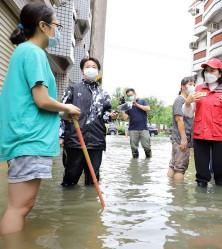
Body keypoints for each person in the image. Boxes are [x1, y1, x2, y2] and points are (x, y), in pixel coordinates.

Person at [0, 3, 80, 234]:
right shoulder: (33, 53)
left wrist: (63, 112)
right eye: (57, 25)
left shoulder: (24, 51)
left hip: (24, 137)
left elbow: (35, 100)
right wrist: (66, 106)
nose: (58, 30)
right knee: (19, 207)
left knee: (22, 205)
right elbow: (42, 100)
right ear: (43, 26)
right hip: (29, 138)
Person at [183, 58, 222, 187]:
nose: (208, 74)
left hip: (220, 135)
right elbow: (188, 113)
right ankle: (201, 197)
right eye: (206, 71)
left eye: (212, 71)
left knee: (220, 168)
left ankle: (220, 196)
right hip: (200, 134)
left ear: (220, 73)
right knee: (201, 171)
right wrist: (187, 102)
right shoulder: (197, 89)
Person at [59, 57, 118, 186]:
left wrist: (111, 116)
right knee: (71, 176)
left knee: (93, 178)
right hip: (75, 140)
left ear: (98, 71)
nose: (91, 69)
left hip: (96, 141)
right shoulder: (72, 89)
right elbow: (61, 113)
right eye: (88, 66)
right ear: (82, 70)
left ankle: (90, 203)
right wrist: (61, 135)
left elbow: (105, 116)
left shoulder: (104, 94)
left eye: (94, 67)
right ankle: (69, 202)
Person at [168, 76, 195, 181]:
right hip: (181, 138)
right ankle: (179, 194)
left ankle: (171, 187)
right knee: (180, 168)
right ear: (183, 87)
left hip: (178, 138)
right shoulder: (180, 100)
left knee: (173, 164)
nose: (192, 87)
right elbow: (179, 119)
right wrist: (184, 139)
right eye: (190, 84)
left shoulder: (186, 100)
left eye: (193, 84)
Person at [121, 88, 152, 158]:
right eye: (128, 96)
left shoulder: (142, 101)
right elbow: (124, 118)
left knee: (147, 147)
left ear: (135, 94)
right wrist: (122, 108)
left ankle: (148, 162)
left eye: (131, 95)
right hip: (132, 129)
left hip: (143, 128)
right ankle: (134, 164)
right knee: (134, 149)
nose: (130, 97)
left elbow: (148, 108)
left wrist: (137, 105)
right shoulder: (128, 105)